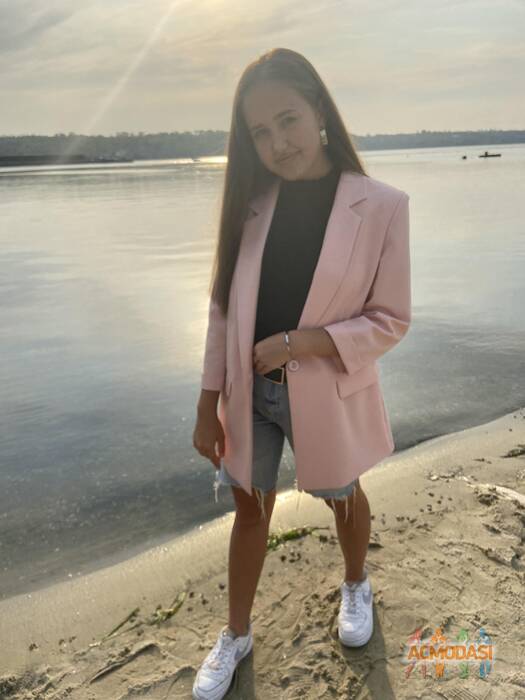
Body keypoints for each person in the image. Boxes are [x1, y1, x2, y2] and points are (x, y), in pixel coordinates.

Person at [192, 47, 411, 700]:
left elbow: (391, 319)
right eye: (259, 132)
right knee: (248, 509)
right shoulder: (249, 203)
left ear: (317, 109)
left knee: (343, 494)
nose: (277, 143)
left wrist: (302, 343)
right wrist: (206, 404)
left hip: (326, 391)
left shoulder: (381, 206)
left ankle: (355, 583)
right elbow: (221, 310)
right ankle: (236, 633)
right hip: (247, 393)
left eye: (286, 120)